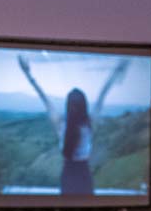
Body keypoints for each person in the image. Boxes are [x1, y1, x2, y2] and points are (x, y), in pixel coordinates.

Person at [18, 54, 130, 197]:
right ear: (84, 105)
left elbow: (43, 97)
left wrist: (28, 74)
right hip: (84, 175)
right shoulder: (90, 123)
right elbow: (103, 93)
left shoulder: (60, 124)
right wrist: (116, 71)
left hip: (68, 175)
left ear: (67, 106)